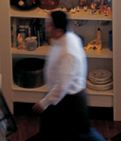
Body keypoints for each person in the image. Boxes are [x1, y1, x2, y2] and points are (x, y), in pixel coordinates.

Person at [31, 10, 96, 141]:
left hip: (69, 101)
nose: (45, 27)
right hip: (61, 97)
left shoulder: (68, 52)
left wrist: (44, 103)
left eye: (49, 25)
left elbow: (63, 85)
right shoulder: (65, 39)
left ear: (58, 29)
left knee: (82, 136)